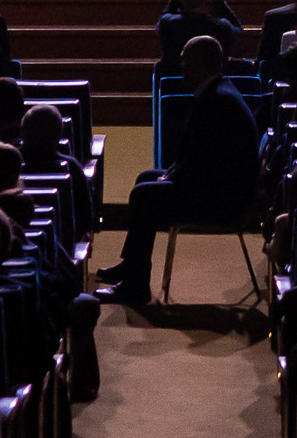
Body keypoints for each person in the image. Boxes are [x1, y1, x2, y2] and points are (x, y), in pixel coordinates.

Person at [100, 35, 260, 308]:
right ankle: (131, 266)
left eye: (185, 61)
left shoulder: (218, 101)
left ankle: (136, 286)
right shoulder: (217, 91)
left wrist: (173, 176)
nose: (181, 66)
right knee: (146, 178)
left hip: (223, 199)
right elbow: (200, 156)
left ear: (200, 64)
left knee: (143, 194)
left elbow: (207, 163)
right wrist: (171, 174)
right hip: (214, 184)